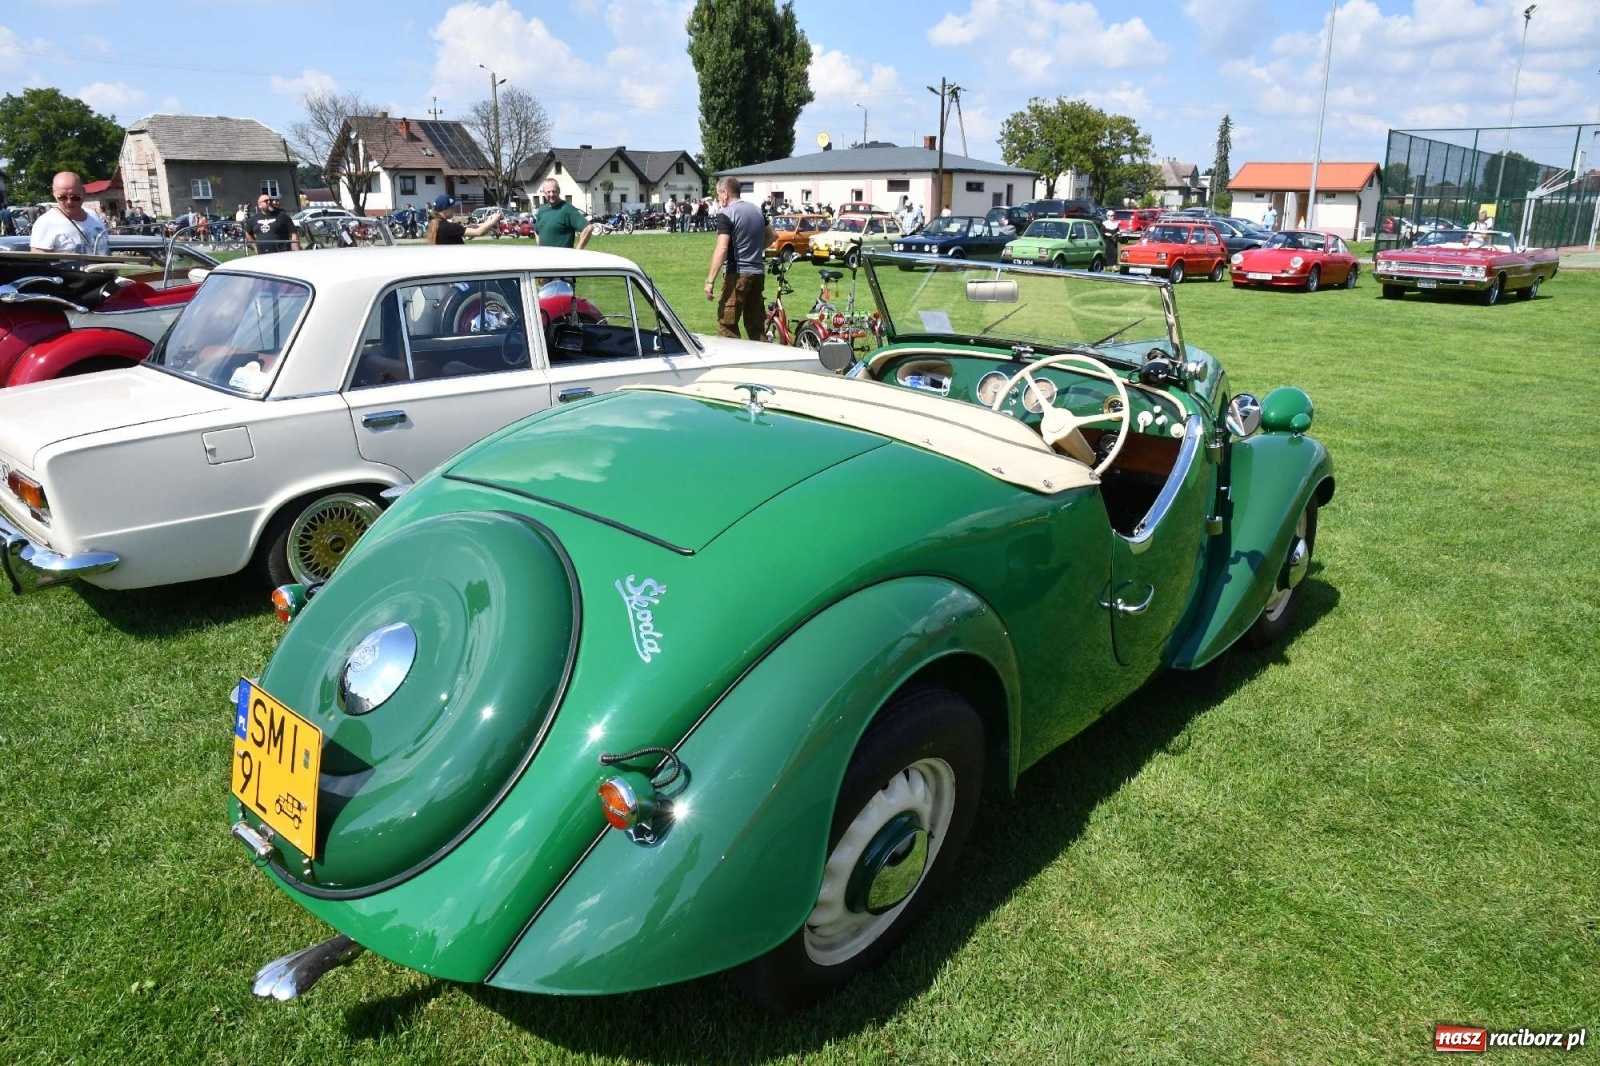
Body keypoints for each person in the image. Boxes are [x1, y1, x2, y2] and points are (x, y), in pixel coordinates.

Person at [704, 175, 773, 339]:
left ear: (725, 193)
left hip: (737, 274)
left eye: (718, 195)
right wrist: (754, 250)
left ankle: (730, 356)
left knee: (727, 325)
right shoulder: (756, 210)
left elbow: (722, 248)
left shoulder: (727, 213)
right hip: (758, 274)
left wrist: (710, 280)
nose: (718, 199)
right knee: (756, 326)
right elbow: (772, 236)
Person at [30, 172, 109, 254]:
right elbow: (40, 260)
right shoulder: (45, 223)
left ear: (83, 192)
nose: (69, 202)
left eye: (75, 197)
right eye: (62, 197)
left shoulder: (93, 216)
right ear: (54, 193)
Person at [531, 180, 591, 248]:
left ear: (559, 191)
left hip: (562, 254)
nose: (551, 194)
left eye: (554, 191)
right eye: (548, 192)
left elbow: (587, 228)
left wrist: (578, 251)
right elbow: (537, 231)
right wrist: (540, 247)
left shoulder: (567, 209)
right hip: (544, 254)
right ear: (544, 193)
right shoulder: (542, 210)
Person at [426, 195, 499, 244]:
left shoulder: (437, 224)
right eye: (452, 207)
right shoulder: (448, 227)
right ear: (444, 210)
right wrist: (493, 221)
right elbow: (478, 232)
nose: (454, 209)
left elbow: (464, 228)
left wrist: (487, 223)